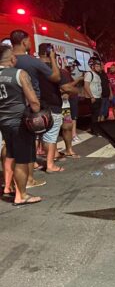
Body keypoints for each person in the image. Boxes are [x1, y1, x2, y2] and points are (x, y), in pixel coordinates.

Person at [10, 29, 60, 188]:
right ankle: (29, 180)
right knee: (29, 143)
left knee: (10, 145)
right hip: (29, 106)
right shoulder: (32, 61)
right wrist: (53, 59)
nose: (30, 44)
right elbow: (56, 77)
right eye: (29, 41)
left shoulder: (7, 60)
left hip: (9, 106)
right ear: (24, 42)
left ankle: (9, 182)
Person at [0, 44, 42, 205]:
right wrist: (36, 112)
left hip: (3, 121)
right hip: (19, 121)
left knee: (10, 154)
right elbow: (33, 101)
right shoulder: (19, 74)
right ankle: (21, 195)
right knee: (22, 160)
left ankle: (10, 188)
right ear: (11, 58)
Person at [38, 44, 78, 173]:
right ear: (50, 52)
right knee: (51, 137)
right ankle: (50, 164)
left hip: (37, 106)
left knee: (41, 135)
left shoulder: (33, 68)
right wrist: (78, 91)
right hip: (53, 106)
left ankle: (36, 162)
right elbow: (66, 88)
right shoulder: (55, 70)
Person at [83, 58, 103, 134]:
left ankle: (95, 129)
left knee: (96, 114)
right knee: (94, 115)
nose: (99, 67)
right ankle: (94, 131)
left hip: (98, 97)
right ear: (93, 66)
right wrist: (91, 96)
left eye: (99, 66)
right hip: (93, 98)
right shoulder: (89, 74)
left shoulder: (97, 75)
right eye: (97, 66)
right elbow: (86, 86)